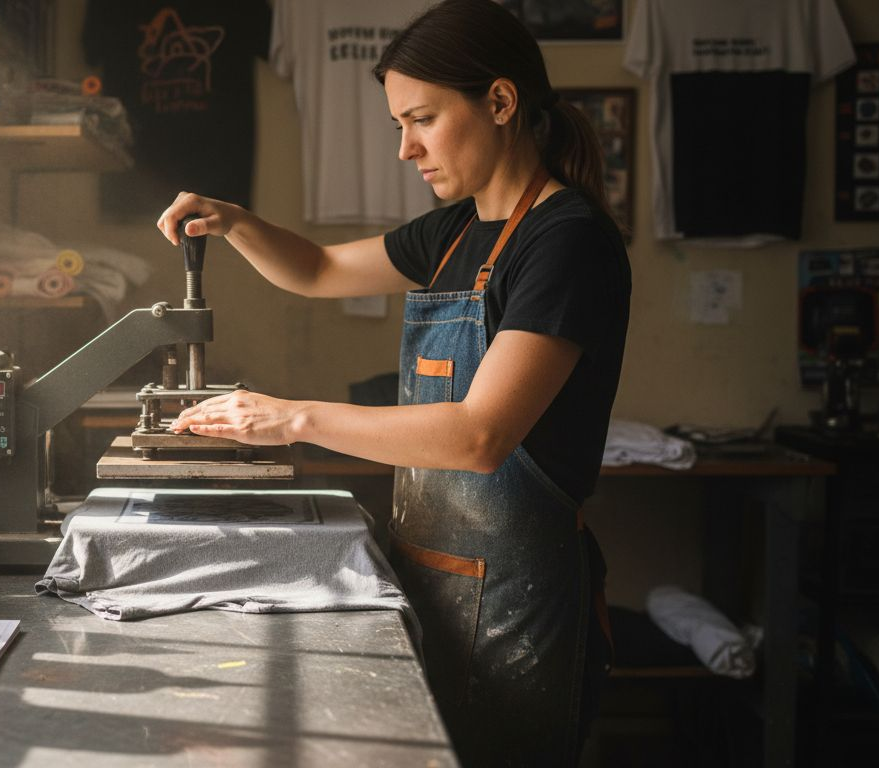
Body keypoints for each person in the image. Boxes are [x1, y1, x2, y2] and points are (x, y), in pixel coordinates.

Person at [156, 0, 629, 764]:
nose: (406, 149)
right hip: (429, 577)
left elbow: (480, 436)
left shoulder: (564, 241)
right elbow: (317, 268)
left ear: (500, 102)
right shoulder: (454, 230)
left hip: (519, 605)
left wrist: (290, 419)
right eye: (398, 125)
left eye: (423, 120)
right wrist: (234, 219)